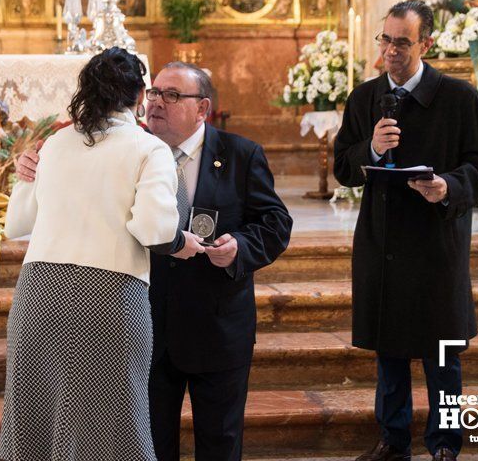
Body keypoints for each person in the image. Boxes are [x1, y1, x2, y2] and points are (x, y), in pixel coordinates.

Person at [15, 61, 293, 460]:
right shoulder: (125, 146)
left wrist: (240, 248)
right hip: (147, 326)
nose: (157, 103)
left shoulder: (240, 154)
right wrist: (31, 167)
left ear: (203, 108)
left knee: (220, 444)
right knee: (150, 446)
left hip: (216, 327)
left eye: (173, 95)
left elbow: (276, 222)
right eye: (155, 93)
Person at [0, 48, 204, 461]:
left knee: (37, 421)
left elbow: (17, 222)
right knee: (111, 430)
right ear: (140, 96)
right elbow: (155, 229)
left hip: (39, 294)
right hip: (109, 296)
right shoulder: (149, 149)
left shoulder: (56, 142)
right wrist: (184, 244)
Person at [334, 0, 478, 461]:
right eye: (385, 39)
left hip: (435, 246)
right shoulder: (365, 98)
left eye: (401, 42)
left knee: (442, 355)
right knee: (388, 352)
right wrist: (369, 145)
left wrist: (448, 185)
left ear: (426, 43)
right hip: (382, 242)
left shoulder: (459, 97)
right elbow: (343, 167)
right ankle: (393, 440)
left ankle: (445, 445)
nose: (390, 50)